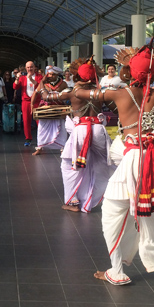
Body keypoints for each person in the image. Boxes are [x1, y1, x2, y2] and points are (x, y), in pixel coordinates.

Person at [75, 45, 154, 285]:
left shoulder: (119, 94)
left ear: (130, 71)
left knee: (113, 214)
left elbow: (81, 95)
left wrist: (88, 82)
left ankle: (117, 271)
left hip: (133, 158)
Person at [38, 57, 113, 212]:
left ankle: (73, 202)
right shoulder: (102, 92)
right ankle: (113, 197)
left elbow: (46, 97)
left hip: (80, 131)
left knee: (69, 166)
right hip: (99, 130)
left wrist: (41, 84)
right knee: (108, 163)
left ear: (77, 76)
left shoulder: (72, 93)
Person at [31, 65, 69, 155]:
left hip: (59, 109)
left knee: (62, 128)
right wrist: (32, 105)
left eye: (52, 75)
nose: (50, 76)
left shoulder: (63, 84)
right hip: (46, 110)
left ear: (56, 75)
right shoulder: (43, 83)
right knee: (41, 128)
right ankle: (39, 147)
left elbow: (68, 95)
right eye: (49, 74)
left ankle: (63, 148)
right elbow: (35, 93)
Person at [13, 61, 43, 147]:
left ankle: (41, 139)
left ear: (34, 68)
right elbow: (15, 87)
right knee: (26, 120)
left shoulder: (39, 76)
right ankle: (28, 138)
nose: (30, 69)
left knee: (39, 121)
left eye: (31, 67)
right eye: (28, 67)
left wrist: (31, 79)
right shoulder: (22, 77)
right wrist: (17, 78)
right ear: (25, 68)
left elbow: (40, 87)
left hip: (37, 102)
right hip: (26, 102)